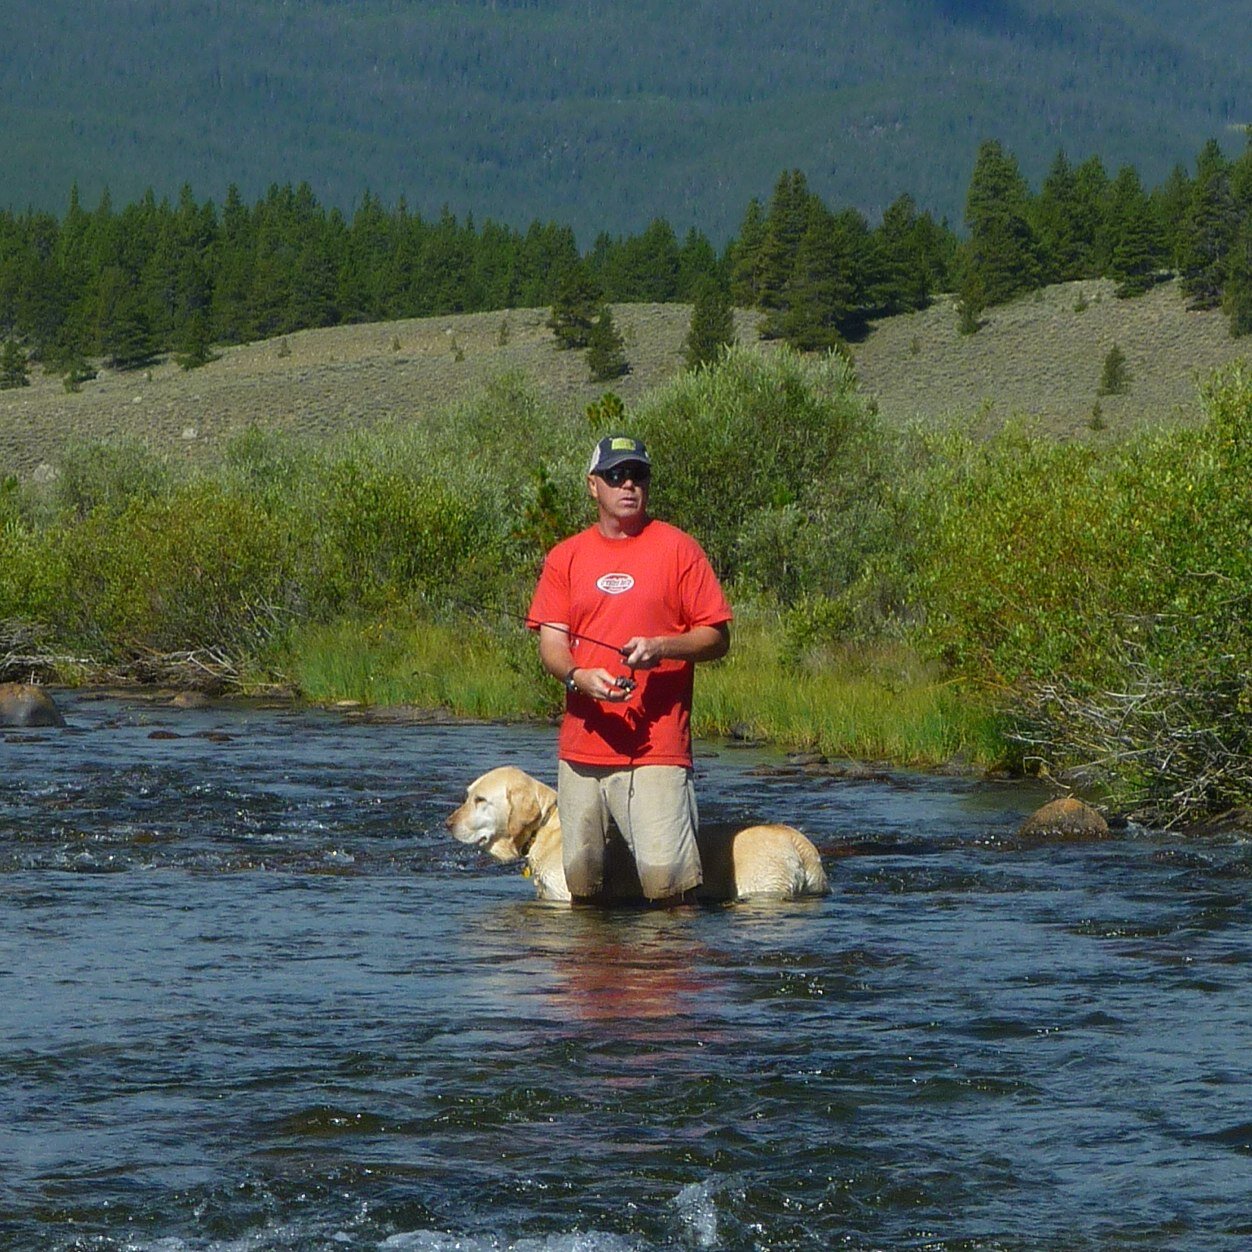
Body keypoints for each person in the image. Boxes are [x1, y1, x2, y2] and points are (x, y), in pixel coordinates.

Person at [528, 435, 732, 905]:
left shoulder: (680, 549)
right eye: (616, 475)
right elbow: (552, 646)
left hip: (658, 751)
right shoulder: (566, 557)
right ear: (592, 486)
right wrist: (578, 678)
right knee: (585, 897)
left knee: (669, 897)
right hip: (581, 754)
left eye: (638, 475)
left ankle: (666, 979)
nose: (628, 485)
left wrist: (663, 647)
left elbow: (717, 638)